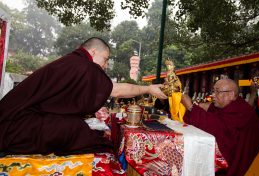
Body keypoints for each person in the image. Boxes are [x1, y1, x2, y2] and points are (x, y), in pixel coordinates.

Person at [0, 37, 167, 156]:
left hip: (15, 118)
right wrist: (149, 89)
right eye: (105, 59)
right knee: (78, 132)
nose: (105, 65)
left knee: (78, 127)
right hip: (15, 124)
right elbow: (116, 90)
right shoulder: (83, 65)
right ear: (93, 52)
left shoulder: (72, 62)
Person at [181, 79, 259, 176]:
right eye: (213, 91)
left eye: (217, 91)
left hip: (239, 165)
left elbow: (220, 130)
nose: (213, 95)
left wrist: (191, 107)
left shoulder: (242, 111)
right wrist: (197, 108)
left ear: (231, 95)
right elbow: (212, 114)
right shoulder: (225, 107)